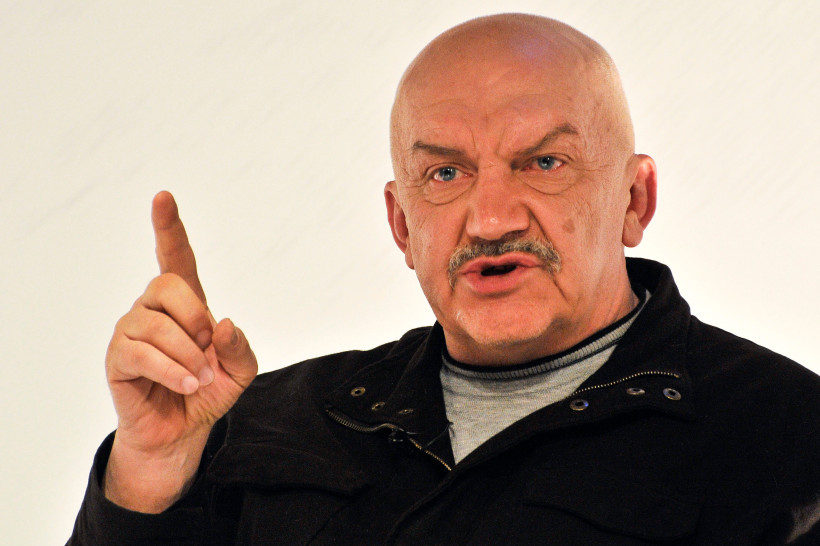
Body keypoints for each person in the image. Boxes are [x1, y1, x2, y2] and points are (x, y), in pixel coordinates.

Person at [69, 13, 820, 545]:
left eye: (543, 162)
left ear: (635, 200)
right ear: (402, 225)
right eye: (446, 173)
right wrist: (149, 472)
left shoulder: (786, 435)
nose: (490, 219)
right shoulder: (257, 422)